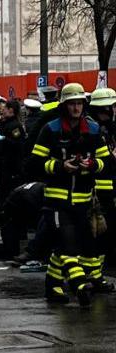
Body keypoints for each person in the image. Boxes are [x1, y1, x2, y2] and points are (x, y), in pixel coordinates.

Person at [25, 83, 108, 306]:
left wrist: (91, 165)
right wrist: (60, 166)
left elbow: (106, 163)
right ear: (64, 105)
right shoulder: (50, 130)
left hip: (83, 201)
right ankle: (80, 285)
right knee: (69, 244)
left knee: (66, 247)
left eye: (79, 103)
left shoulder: (92, 130)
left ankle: (53, 286)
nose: (76, 108)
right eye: (72, 104)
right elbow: (34, 164)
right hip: (57, 201)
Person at [86, 87, 116, 292]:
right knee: (96, 235)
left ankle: (95, 275)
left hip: (106, 191)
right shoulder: (94, 129)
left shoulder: (105, 127)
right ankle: (92, 276)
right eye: (112, 106)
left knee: (102, 236)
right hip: (96, 192)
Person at [0, 99, 26, 257]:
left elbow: (18, 146)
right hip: (4, 171)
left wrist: (3, 140)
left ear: (11, 110)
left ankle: (10, 247)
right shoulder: (4, 125)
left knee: (7, 209)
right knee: (6, 210)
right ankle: (10, 245)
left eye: (4, 109)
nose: (1, 111)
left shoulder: (14, 126)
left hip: (10, 173)